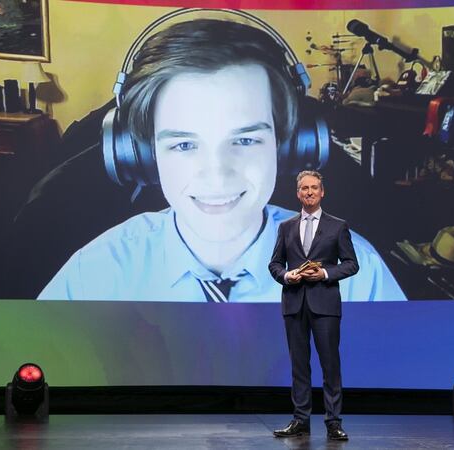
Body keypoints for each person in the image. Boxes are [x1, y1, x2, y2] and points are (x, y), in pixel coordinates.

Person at [38, 18, 406, 303]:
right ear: (142, 156)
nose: (217, 174)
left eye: (245, 139)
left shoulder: (354, 273)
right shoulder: (95, 276)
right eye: (183, 145)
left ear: (289, 146)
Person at [268, 170, 352, 441]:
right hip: (294, 304)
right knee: (299, 366)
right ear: (297, 193)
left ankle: (333, 422)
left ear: (322, 192)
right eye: (304, 188)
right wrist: (286, 275)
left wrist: (326, 274)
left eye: (314, 188)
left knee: (330, 365)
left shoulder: (337, 226)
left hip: (325, 305)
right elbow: (275, 263)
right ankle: (300, 420)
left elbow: (351, 264)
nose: (309, 192)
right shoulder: (287, 227)